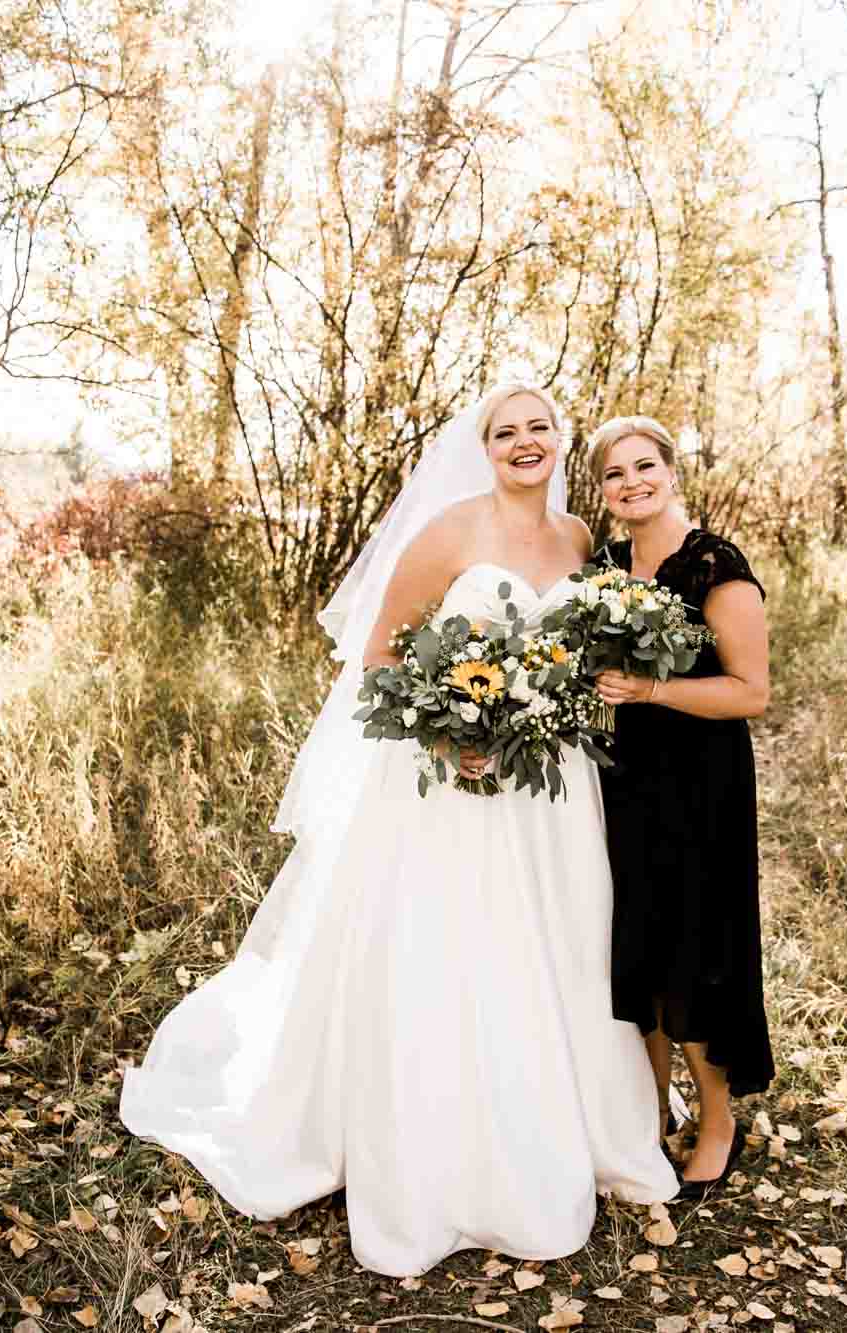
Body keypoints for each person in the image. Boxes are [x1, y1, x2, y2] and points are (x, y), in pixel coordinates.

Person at [120, 385, 678, 1277]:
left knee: (563, 942)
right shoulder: (449, 533)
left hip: (556, 789)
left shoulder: (578, 540)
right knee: (457, 951)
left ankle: (577, 1127)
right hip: (455, 787)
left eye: (539, 429)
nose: (524, 443)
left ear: (560, 441)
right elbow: (381, 653)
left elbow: (585, 657)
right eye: (506, 432)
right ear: (485, 448)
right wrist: (453, 727)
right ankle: (450, 1160)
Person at [588, 416, 775, 1202]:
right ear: (600, 492)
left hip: (701, 781)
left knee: (695, 952)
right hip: (623, 778)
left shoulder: (716, 565)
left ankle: (719, 1119)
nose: (631, 483)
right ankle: (646, 1118)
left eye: (643, 467)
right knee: (637, 949)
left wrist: (653, 688)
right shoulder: (602, 567)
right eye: (612, 475)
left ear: (671, 470)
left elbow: (752, 692)